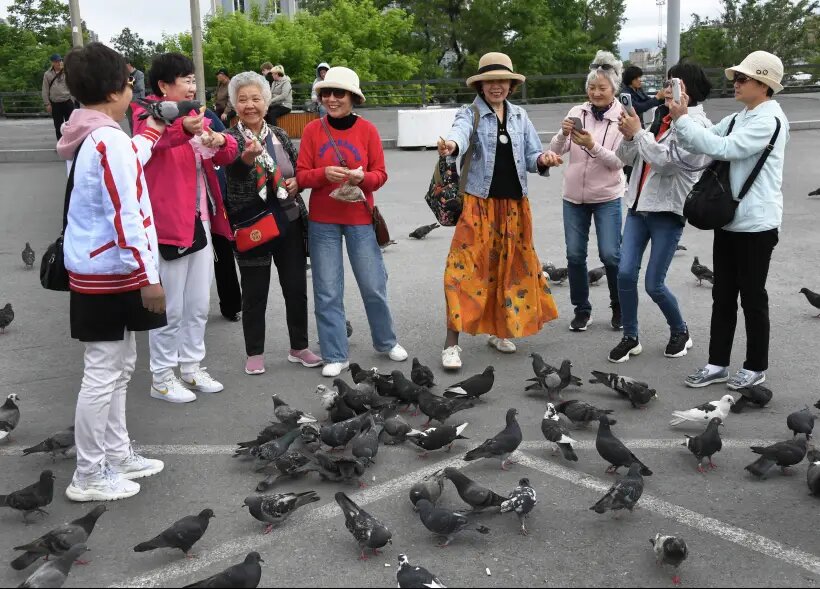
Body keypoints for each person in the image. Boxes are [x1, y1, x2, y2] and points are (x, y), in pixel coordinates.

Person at [57, 43, 166, 501]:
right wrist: (149, 276)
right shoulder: (109, 140)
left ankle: (117, 454)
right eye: (128, 82)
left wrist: (151, 137)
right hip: (112, 270)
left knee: (119, 368)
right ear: (114, 89)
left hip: (101, 267)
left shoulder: (87, 132)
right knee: (104, 373)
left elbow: (122, 175)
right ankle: (88, 474)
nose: (131, 91)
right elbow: (126, 213)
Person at [671, 51, 790, 390]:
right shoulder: (742, 116)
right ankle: (717, 364)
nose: (735, 83)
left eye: (743, 78)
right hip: (730, 220)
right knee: (722, 296)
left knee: (752, 298)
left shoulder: (769, 120)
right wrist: (682, 113)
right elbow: (706, 137)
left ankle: (755, 367)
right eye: (736, 78)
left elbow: (725, 148)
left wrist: (682, 120)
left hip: (757, 225)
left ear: (764, 84)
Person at [436, 52, 562, 369]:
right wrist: (452, 146)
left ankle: (499, 330)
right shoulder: (470, 113)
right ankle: (451, 344)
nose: (496, 86)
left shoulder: (520, 116)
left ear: (510, 84)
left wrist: (543, 160)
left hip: (515, 207)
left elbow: (532, 156)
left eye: (502, 81)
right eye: (490, 81)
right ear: (480, 85)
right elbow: (459, 133)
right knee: (461, 271)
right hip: (478, 205)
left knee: (509, 270)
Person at [131, 53, 239, 404]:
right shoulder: (145, 112)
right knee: (170, 307)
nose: (193, 86)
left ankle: (191, 367)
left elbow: (229, 151)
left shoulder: (199, 114)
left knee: (197, 304)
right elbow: (155, 141)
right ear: (164, 85)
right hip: (169, 225)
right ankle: (162, 377)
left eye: (194, 80)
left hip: (202, 220)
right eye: (186, 80)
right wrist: (184, 129)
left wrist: (220, 141)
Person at [296, 66, 407, 378]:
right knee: (327, 290)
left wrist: (362, 179)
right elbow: (302, 175)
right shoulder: (312, 130)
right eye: (326, 93)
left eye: (339, 93)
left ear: (353, 97)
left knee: (373, 284)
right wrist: (323, 174)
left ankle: (386, 341)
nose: (331, 99)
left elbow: (380, 175)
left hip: (360, 217)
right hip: (323, 220)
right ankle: (335, 353)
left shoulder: (368, 130)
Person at [610, 59, 714, 364]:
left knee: (654, 284)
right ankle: (630, 337)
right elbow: (626, 158)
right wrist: (630, 135)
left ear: (689, 90)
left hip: (668, 212)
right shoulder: (661, 118)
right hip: (637, 207)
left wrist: (640, 134)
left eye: (674, 84)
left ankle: (680, 331)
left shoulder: (698, 127)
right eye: (667, 84)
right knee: (625, 274)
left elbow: (668, 163)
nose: (666, 90)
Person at [223, 72, 320, 375]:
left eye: (256, 98)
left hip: (289, 221)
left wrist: (296, 183)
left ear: (266, 102)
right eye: (242, 99)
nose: (250, 105)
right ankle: (254, 352)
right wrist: (246, 159)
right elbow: (232, 180)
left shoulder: (278, 134)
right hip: (253, 226)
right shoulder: (230, 140)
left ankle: (299, 347)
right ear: (234, 104)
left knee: (295, 288)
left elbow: (297, 170)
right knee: (254, 292)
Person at [549, 50, 626, 333]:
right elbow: (556, 150)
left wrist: (592, 145)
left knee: (611, 255)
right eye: (592, 87)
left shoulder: (622, 119)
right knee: (574, 256)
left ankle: (619, 307)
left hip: (607, 197)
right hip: (573, 197)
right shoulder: (576, 112)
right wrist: (563, 133)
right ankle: (582, 310)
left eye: (602, 88)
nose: (596, 93)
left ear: (614, 89)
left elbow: (618, 162)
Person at [203, 107, 243, 322]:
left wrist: (219, 140)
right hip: (181, 203)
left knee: (223, 250)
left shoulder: (205, 114)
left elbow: (228, 145)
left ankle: (231, 305)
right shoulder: (159, 118)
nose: (190, 91)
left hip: (215, 195)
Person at [42, 54, 75, 140]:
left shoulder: (67, 72)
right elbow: (45, 90)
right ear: (52, 63)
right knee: (58, 125)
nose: (59, 63)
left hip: (67, 101)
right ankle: (60, 142)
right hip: (55, 103)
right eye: (57, 61)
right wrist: (47, 104)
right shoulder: (47, 74)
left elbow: (72, 86)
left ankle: (70, 142)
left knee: (70, 124)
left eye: (60, 60)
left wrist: (72, 99)